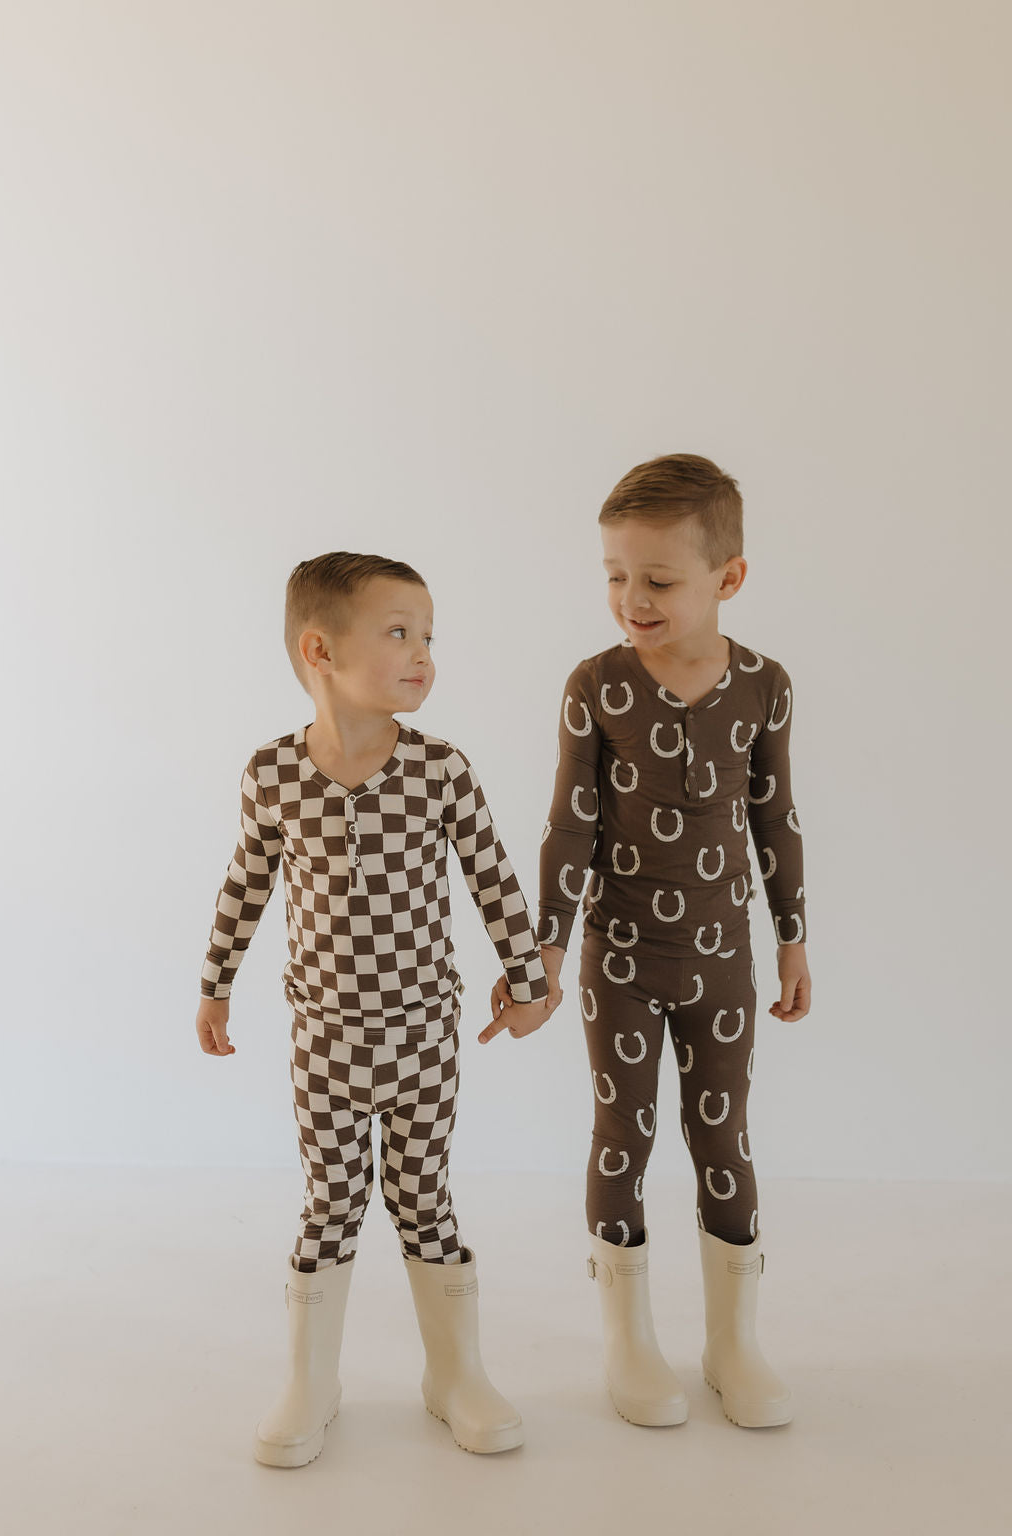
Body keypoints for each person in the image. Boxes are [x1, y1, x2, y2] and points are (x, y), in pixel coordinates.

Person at [196, 551, 554, 1466]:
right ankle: (313, 1382)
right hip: (323, 1044)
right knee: (331, 1202)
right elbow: (246, 885)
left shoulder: (441, 770)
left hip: (425, 1039)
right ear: (320, 649)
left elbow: (493, 878)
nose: (423, 654)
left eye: (429, 636)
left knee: (423, 1196)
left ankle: (455, 1375)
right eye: (399, 633)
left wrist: (529, 978)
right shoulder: (274, 775)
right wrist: (215, 983)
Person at [492, 454, 811, 1429]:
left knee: (722, 1136)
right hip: (619, 965)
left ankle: (732, 1342)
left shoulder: (763, 686)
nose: (630, 598)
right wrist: (538, 960)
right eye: (614, 574)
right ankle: (630, 1342)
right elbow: (568, 827)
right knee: (621, 1135)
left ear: (729, 578)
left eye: (658, 580)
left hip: (723, 964)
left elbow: (775, 819)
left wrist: (793, 939)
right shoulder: (595, 686)